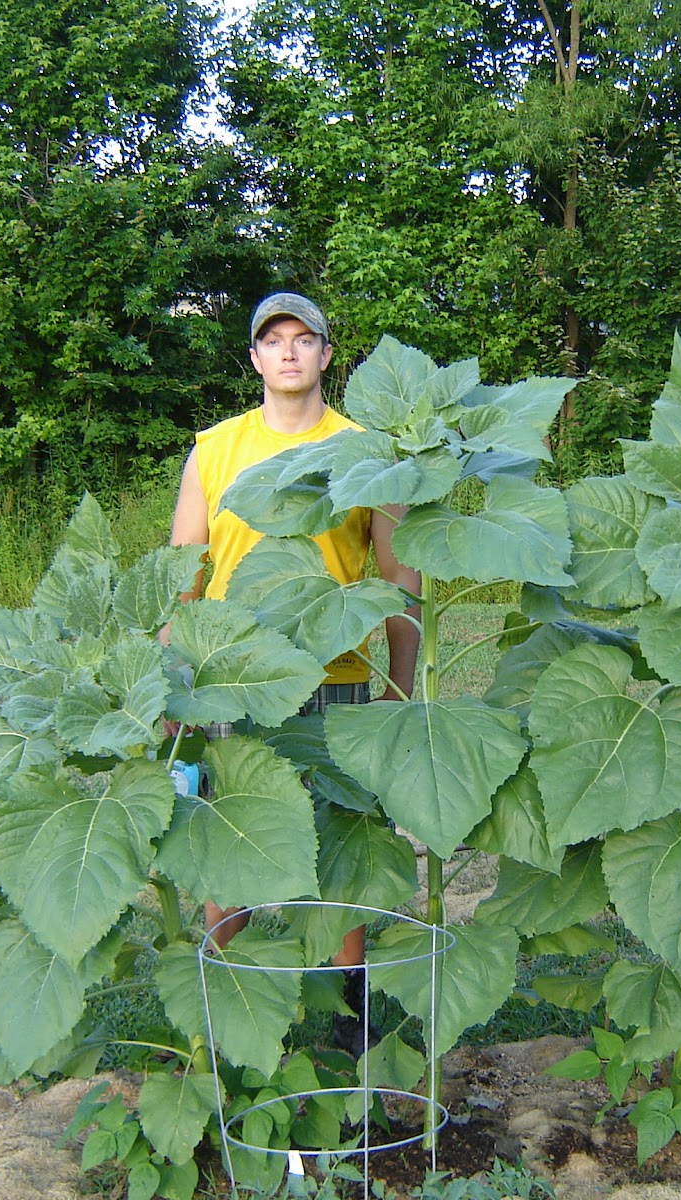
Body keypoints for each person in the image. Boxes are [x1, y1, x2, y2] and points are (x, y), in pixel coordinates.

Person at [167, 292, 420, 1045]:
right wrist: (173, 685)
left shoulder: (365, 451)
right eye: (272, 339)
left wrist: (399, 686)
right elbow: (183, 575)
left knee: (341, 846)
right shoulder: (215, 449)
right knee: (229, 840)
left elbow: (398, 576)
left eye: (303, 339)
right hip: (229, 678)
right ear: (253, 357)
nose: (287, 351)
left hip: (332, 677)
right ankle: (228, 1011)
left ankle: (349, 1021)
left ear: (326, 355)